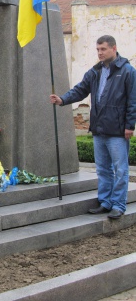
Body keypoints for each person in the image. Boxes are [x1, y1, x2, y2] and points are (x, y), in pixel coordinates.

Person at [50, 35, 136, 219]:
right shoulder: (95, 72)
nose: (100, 53)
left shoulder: (127, 71)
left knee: (120, 170)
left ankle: (118, 205)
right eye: (97, 49)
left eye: (103, 49)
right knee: (103, 169)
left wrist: (130, 125)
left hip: (118, 131)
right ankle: (105, 202)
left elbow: (133, 101)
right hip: (98, 129)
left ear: (114, 48)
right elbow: (80, 90)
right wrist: (63, 99)